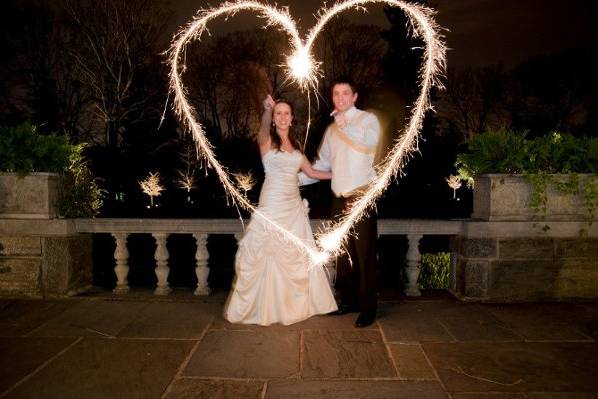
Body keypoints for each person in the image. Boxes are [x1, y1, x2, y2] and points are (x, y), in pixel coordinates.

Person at [223, 95, 338, 326]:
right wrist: (266, 110)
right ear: (274, 119)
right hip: (272, 203)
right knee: (268, 251)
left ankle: (296, 306)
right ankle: (264, 309)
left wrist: (341, 174)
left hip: (293, 205)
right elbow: (263, 126)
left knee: (296, 253)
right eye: (279, 113)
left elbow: (313, 173)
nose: (283, 117)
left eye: (286, 113)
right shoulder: (266, 141)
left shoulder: (296, 147)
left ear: (292, 119)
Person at [299, 77, 381, 328]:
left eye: (346, 93)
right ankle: (347, 301)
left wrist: (345, 124)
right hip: (338, 198)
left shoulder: (367, 121)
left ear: (354, 97)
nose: (341, 98)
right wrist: (295, 179)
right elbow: (322, 165)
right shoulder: (331, 130)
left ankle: (368, 308)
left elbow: (369, 146)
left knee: (364, 253)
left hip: (362, 196)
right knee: (343, 255)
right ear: (333, 97)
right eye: (336, 94)